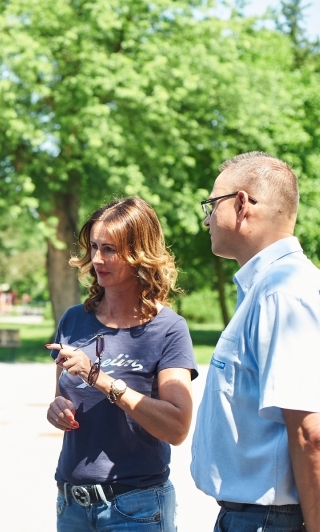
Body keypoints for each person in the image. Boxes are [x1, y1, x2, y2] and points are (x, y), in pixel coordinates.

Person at [190, 152, 320, 531]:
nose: (207, 219)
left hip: (272, 518)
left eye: (212, 205)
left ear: (241, 204)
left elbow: (312, 433)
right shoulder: (271, 287)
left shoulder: (284, 290)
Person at [45, 197, 197, 531]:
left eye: (110, 249)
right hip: (71, 505)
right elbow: (62, 397)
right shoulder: (73, 320)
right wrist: (56, 410)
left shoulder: (168, 329)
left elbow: (177, 427)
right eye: (94, 247)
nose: (97, 259)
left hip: (136, 509)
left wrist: (98, 377)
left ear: (139, 254)